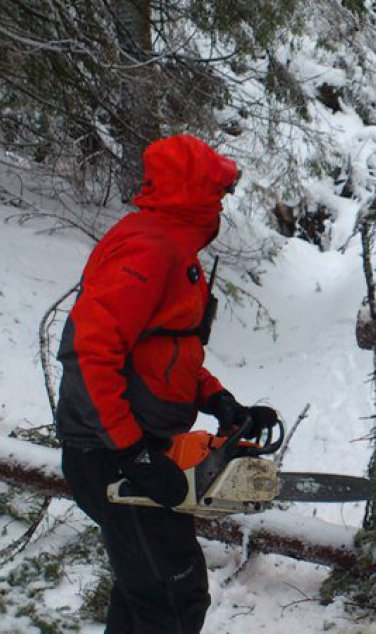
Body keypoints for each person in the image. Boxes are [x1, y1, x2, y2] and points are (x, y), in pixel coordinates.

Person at [55, 134, 278, 633]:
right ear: (191, 192)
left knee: (146, 590)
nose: (222, 203)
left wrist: (218, 399)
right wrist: (132, 453)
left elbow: (162, 355)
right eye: (216, 193)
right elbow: (90, 353)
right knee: (174, 598)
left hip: (132, 447)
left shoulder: (171, 246)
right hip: (109, 452)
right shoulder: (148, 248)